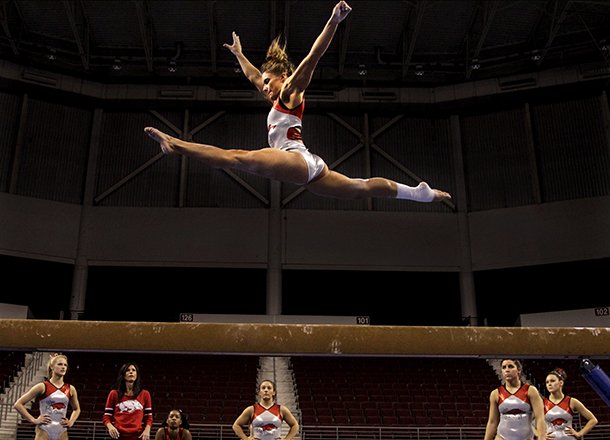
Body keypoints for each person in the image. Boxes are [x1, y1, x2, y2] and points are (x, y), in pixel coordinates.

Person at [145, 1, 451, 204]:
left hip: (296, 159)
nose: (263, 87)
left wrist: (333, 22)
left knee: (236, 158)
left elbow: (312, 57)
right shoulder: (275, 94)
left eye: (269, 81)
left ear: (284, 77)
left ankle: (175, 143)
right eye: (263, 83)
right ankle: (420, 195)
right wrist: (239, 54)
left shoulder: (291, 92)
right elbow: (253, 76)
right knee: (360, 188)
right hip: (310, 165)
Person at [13, 353, 81, 440]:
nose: (63, 367)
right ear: (51, 367)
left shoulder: (70, 389)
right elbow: (18, 404)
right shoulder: (42, 386)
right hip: (44, 430)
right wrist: (33, 420)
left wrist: (71, 421)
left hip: (62, 430)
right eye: (60, 364)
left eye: (65, 365)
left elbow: (77, 409)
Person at [483, 358, 546, 440]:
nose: (507, 370)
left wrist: (541, 437)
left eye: (510, 366)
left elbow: (540, 418)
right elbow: (492, 422)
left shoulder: (530, 391)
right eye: (504, 367)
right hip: (501, 437)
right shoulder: (496, 394)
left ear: (519, 370)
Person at [232, 379, 299, 440]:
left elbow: (295, 425)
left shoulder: (282, 410)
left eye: (269, 388)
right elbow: (236, 425)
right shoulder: (251, 409)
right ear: (259, 392)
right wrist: (245, 439)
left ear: (274, 392)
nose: (266, 390)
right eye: (263, 388)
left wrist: (287, 439)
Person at [542, 367, 597, 439]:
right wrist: (540, 434)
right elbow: (530, 422)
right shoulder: (541, 403)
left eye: (552, 381)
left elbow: (593, 420)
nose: (549, 384)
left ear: (561, 383)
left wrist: (579, 433)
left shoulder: (572, 401)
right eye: (547, 382)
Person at [103, 362, 153, 440]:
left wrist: (147, 430)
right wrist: (110, 427)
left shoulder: (145, 394)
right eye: (128, 370)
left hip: (138, 436)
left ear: (137, 375)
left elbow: (149, 417)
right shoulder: (114, 394)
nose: (131, 372)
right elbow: (106, 416)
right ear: (123, 375)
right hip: (118, 435)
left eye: (133, 370)